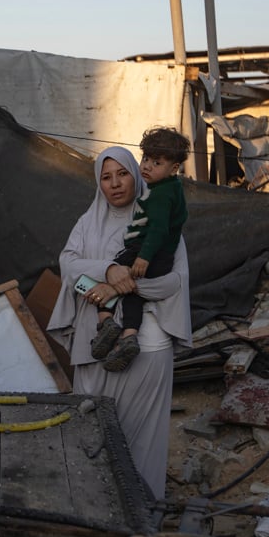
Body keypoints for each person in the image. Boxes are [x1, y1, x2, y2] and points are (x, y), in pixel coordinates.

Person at [47, 146, 192, 500]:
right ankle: (96, 512)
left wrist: (131, 286)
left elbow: (176, 281)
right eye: (106, 177)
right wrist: (107, 274)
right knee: (92, 433)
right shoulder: (86, 224)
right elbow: (71, 272)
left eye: (122, 174)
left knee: (140, 438)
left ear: (136, 174)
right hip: (93, 343)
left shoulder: (161, 221)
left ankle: (142, 513)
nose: (115, 184)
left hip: (147, 348)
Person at [91, 127, 190, 372]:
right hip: (150, 260)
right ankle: (128, 335)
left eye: (156, 162)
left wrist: (141, 258)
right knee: (130, 294)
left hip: (146, 255)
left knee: (93, 285)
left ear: (174, 168)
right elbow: (68, 262)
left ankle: (106, 322)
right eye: (145, 159)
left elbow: (157, 230)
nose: (146, 166)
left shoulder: (159, 196)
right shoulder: (170, 189)